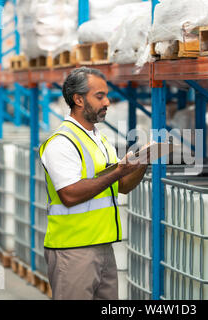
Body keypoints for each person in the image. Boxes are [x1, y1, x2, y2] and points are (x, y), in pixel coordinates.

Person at [39, 67, 148, 300]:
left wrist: (143, 163)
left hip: (103, 247)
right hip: (73, 250)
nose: (107, 102)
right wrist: (118, 171)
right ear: (78, 99)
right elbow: (69, 195)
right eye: (99, 96)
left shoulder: (99, 139)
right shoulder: (62, 142)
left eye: (106, 95)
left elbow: (121, 186)